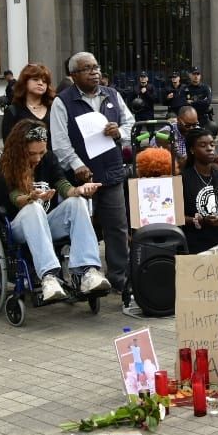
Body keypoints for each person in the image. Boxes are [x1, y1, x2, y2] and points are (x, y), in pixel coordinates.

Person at [49, 52, 132, 300]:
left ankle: (120, 278)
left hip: (111, 170)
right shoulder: (62, 102)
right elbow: (60, 142)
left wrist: (119, 132)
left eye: (96, 67)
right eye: (87, 69)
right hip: (79, 177)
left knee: (117, 226)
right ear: (74, 75)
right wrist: (76, 165)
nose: (95, 72)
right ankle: (84, 275)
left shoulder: (113, 95)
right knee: (81, 227)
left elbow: (130, 124)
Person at [0, 122, 110, 301]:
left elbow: (62, 184)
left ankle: (88, 271)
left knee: (77, 202)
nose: (38, 158)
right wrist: (30, 198)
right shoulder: (7, 164)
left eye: (41, 152)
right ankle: (48, 277)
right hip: (19, 227)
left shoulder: (49, 159)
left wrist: (79, 190)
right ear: (20, 149)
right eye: (32, 154)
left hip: (46, 222)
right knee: (33, 208)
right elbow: (14, 196)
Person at [181, 131, 218, 254]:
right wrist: (202, 220)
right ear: (192, 150)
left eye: (212, 144)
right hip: (195, 241)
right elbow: (176, 217)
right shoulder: (183, 179)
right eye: (203, 145)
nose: (209, 149)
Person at [2, 63, 56, 148]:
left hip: (53, 160)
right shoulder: (13, 111)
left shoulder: (54, 108)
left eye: (44, 81)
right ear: (25, 82)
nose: (40, 83)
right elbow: (9, 145)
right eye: (35, 79)